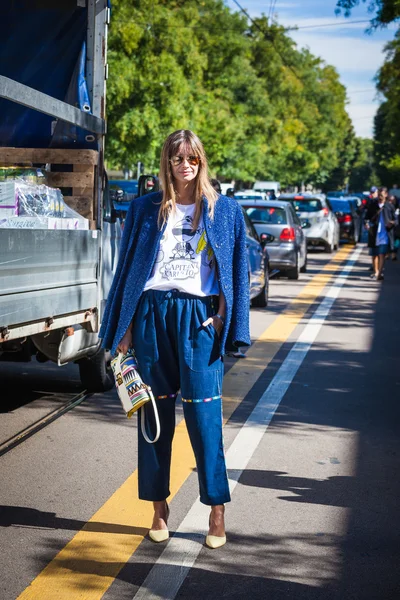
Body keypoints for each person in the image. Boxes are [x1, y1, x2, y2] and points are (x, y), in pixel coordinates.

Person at [99, 130, 250, 549]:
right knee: (154, 418)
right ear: (166, 161)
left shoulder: (224, 211)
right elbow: (129, 271)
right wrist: (126, 330)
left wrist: (221, 318)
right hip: (151, 316)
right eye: (177, 158)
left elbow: (237, 270)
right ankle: (158, 509)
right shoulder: (146, 209)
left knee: (204, 423)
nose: (185, 165)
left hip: (198, 319)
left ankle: (216, 513)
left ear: (202, 162)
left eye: (193, 159)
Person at [365, 187, 396, 280]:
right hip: (374, 233)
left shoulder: (389, 207)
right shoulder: (373, 205)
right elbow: (367, 217)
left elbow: (396, 219)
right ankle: (376, 272)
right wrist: (366, 224)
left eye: (381, 195)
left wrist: (392, 223)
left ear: (386, 195)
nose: (379, 197)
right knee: (374, 255)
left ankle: (379, 273)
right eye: (378, 195)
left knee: (381, 254)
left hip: (385, 234)